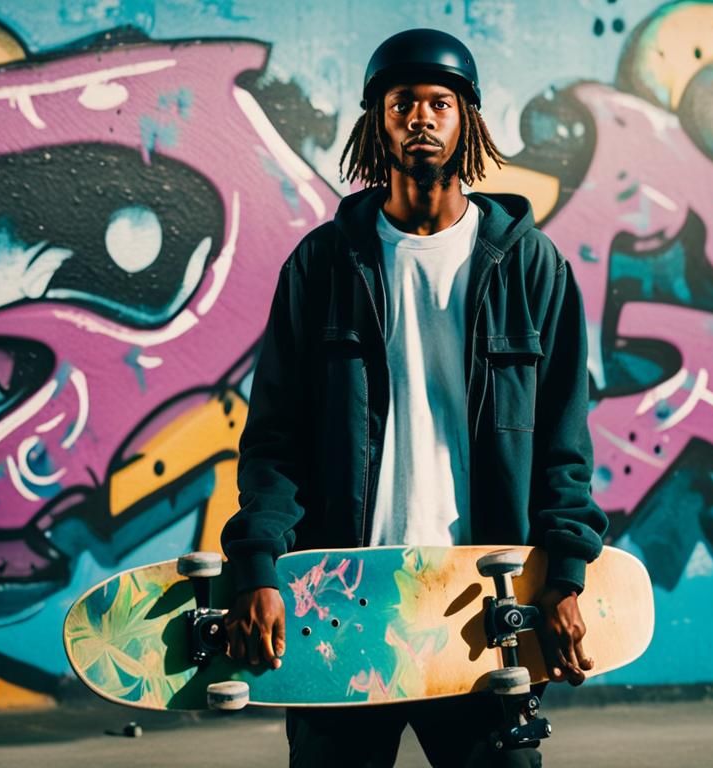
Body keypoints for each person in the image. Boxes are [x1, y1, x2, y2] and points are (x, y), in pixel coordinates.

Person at [220, 27, 607, 767]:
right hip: (342, 600)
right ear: (377, 122)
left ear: (468, 121)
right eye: (403, 104)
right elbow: (275, 442)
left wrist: (564, 577)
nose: (421, 117)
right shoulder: (324, 267)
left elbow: (564, 445)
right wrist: (260, 567)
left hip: (479, 603)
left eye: (440, 102)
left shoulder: (530, 267)